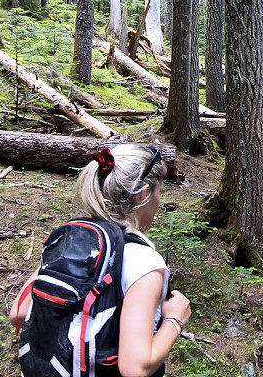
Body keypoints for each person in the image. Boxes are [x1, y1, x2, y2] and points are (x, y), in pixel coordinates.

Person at [10, 144, 191, 377]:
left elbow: (18, 313)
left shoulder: (69, 240)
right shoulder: (144, 262)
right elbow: (136, 368)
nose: (159, 201)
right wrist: (176, 319)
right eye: (160, 192)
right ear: (144, 193)